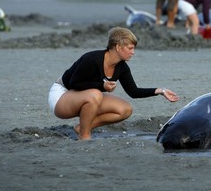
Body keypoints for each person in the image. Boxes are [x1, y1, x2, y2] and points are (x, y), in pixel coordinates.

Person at [48, 27, 179, 140]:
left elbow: (133, 92)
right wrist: (102, 86)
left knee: (125, 109)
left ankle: (82, 127)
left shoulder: (122, 67)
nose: (133, 52)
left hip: (84, 96)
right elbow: (74, 83)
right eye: (130, 48)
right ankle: (84, 135)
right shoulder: (91, 59)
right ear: (118, 47)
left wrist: (161, 91)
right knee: (95, 94)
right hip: (61, 95)